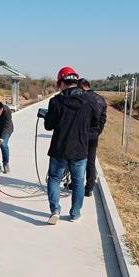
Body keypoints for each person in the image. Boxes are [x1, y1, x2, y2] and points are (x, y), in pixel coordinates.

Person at [43, 67, 99, 225]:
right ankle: (75, 214)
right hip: (80, 149)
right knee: (78, 181)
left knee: (54, 179)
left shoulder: (56, 101)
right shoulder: (90, 100)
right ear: (76, 81)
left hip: (59, 148)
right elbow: (95, 123)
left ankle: (55, 211)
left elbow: (49, 126)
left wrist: (47, 116)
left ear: (60, 82)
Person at [78, 78, 107, 197]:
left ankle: (75, 184)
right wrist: (97, 131)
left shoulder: (82, 98)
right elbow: (103, 119)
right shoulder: (101, 99)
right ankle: (89, 188)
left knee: (77, 159)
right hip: (94, 133)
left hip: (81, 133)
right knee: (91, 160)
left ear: (82, 87)